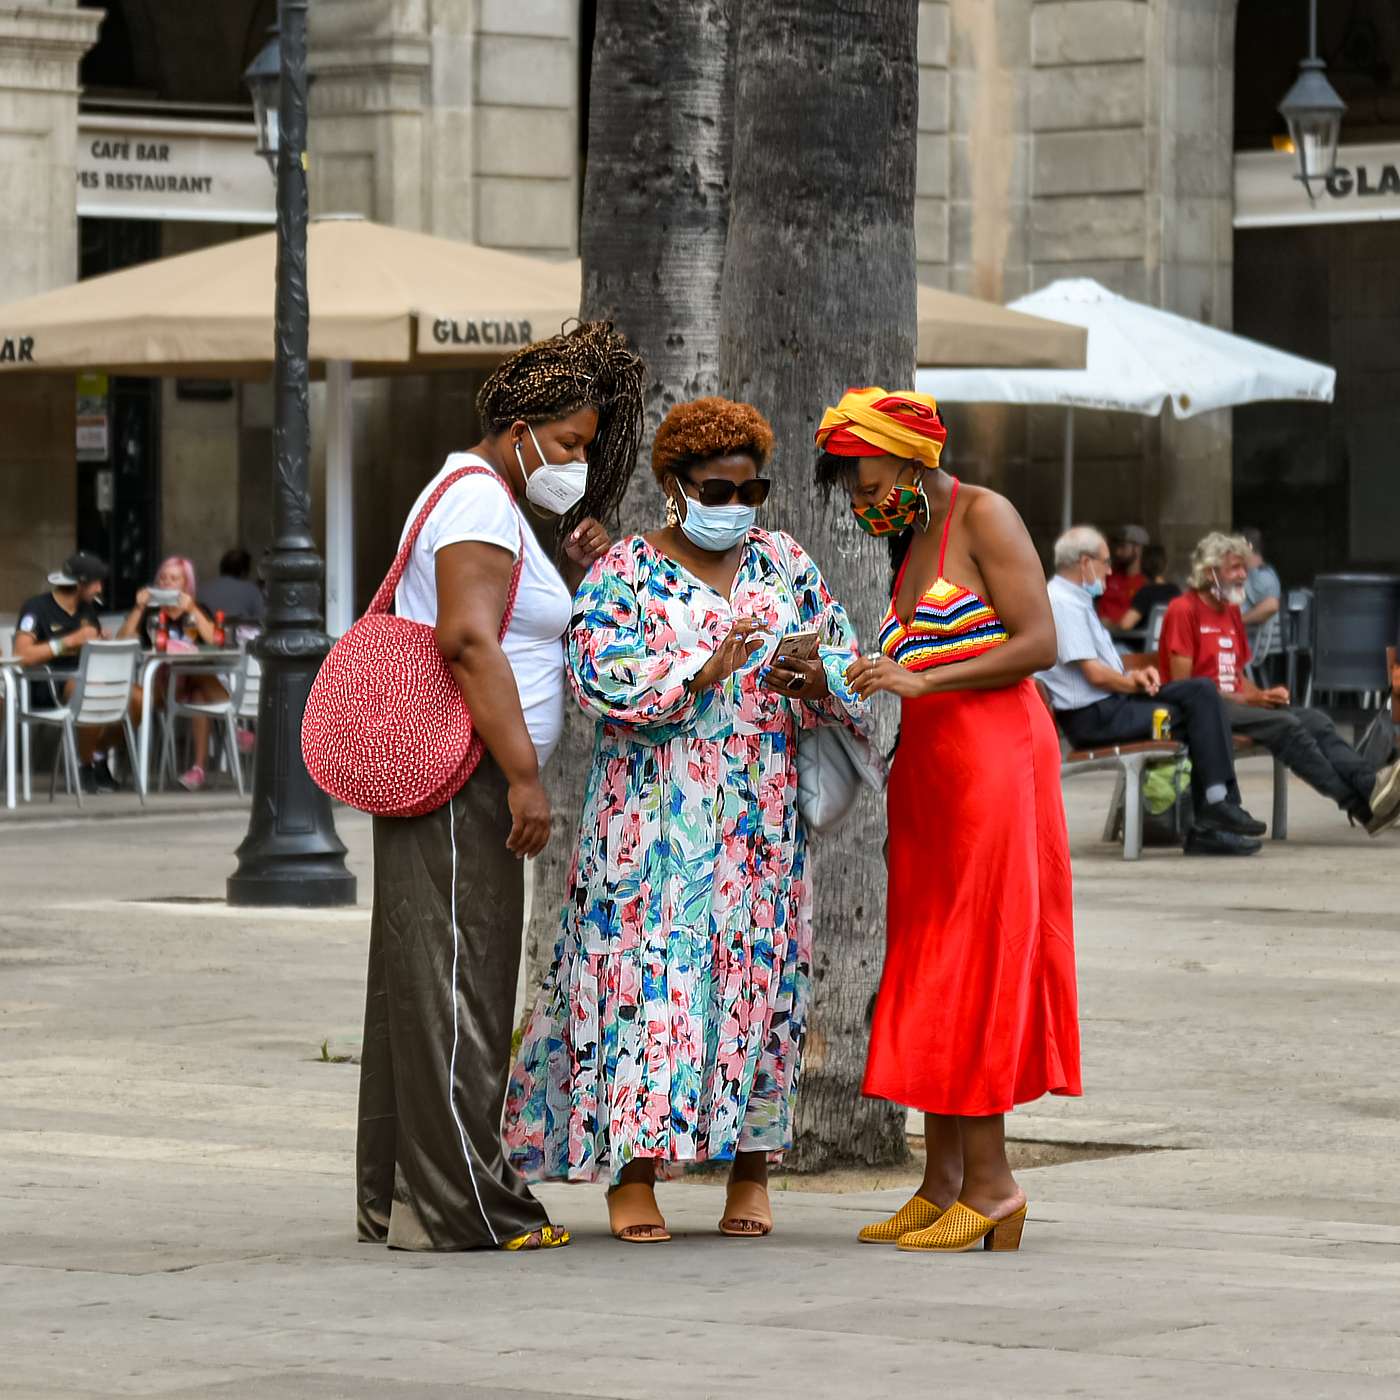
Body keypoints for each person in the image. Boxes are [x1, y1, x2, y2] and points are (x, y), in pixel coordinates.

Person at [505, 396, 873, 1244]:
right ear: (676, 486)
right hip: (650, 824)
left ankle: (749, 1170)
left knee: (760, 990)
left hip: (759, 826)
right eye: (720, 489)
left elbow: (845, 655)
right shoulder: (625, 572)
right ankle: (632, 1176)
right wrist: (705, 670)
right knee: (642, 987)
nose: (737, 507)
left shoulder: (784, 563)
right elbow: (596, 675)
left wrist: (816, 681)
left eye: (753, 491)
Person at [356, 320, 645, 1253]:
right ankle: (471, 1205)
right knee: (459, 986)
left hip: (454, 768)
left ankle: (402, 1198)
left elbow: (499, 622)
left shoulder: (482, 499)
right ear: (520, 426)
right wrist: (525, 778)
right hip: (466, 771)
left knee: (419, 983)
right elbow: (468, 641)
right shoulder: (479, 501)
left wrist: (573, 564)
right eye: (567, 444)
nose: (574, 461)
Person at [816, 386, 1081, 1255]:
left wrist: (924, 681)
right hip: (930, 773)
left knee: (977, 959)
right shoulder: (911, 538)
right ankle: (941, 1182)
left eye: (862, 483)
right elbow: (924, 652)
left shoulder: (985, 514)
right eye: (851, 492)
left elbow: (1039, 642)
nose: (859, 502)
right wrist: (864, 673)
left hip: (997, 764)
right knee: (928, 961)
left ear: (909, 458)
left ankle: (996, 1187)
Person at [1039, 526, 1264, 856]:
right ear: (1084, 563)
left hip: (1112, 703)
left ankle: (1216, 807)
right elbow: (1094, 673)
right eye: (1104, 562)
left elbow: (1104, 670)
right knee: (1197, 716)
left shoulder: (1077, 599)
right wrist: (1131, 682)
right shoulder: (1062, 602)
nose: (1110, 570)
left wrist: (1136, 675)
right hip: (1095, 717)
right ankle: (1213, 813)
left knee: (1201, 692)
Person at [1159, 532, 1400, 837]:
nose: (1243, 575)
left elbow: (1236, 676)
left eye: (1243, 568)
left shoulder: (1231, 611)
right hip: (1203, 711)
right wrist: (1250, 701)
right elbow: (1186, 687)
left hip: (1235, 705)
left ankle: (1372, 786)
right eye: (1234, 568)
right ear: (1210, 573)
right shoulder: (1184, 610)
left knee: (1314, 719)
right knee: (1285, 725)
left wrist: (1261, 695)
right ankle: (1363, 805)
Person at [116, 556, 225, 791]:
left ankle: (198, 769)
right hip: (159, 685)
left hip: (190, 686)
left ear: (186, 585)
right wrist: (139, 607)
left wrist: (192, 608)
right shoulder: (151, 613)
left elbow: (215, 644)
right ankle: (232, 723)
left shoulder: (197, 609)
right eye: (163, 578)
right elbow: (121, 641)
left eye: (174, 579)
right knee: (197, 671)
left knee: (199, 694)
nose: (166, 583)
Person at [12, 552, 116, 793]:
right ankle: (85, 764)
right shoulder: (37, 607)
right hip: (46, 684)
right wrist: (68, 642)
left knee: (137, 699)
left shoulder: (88, 609)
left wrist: (98, 641)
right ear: (80, 584)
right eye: (96, 582)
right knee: (93, 692)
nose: (100, 587)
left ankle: (96, 755)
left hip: (87, 678)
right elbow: (21, 655)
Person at [1239, 527, 1281, 680]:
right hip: (1251, 640)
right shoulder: (1263, 573)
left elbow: (1271, 605)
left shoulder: (1261, 576)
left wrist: (1238, 620)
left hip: (1252, 643)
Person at [1114, 543, 1180, 634]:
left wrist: (1110, 625)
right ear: (1165, 566)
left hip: (1143, 647)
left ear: (1142, 566)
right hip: (1167, 646)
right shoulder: (1175, 591)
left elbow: (1125, 625)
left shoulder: (1145, 593)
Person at [1096, 523, 1149, 626]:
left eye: (1122, 546)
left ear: (1137, 548)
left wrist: (1110, 624)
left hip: (1122, 638)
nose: (1117, 552)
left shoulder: (1145, 584)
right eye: (1116, 546)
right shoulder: (1107, 576)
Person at [199, 548, 265, 624]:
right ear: (244, 571)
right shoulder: (252, 590)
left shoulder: (202, 589)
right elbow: (261, 620)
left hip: (208, 633)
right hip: (239, 634)